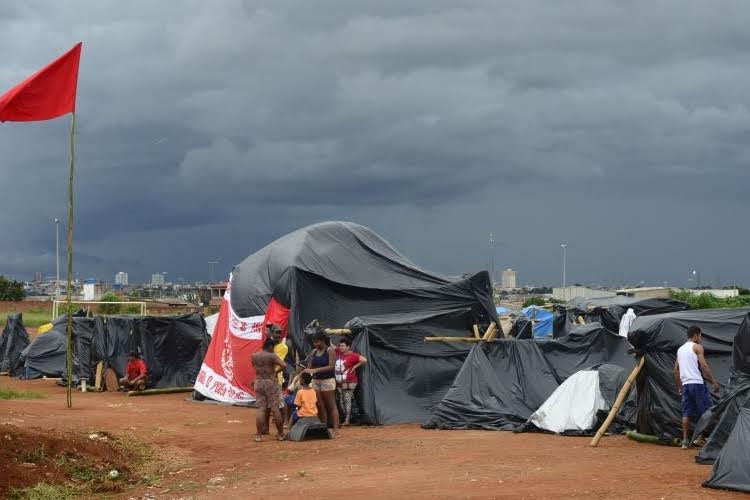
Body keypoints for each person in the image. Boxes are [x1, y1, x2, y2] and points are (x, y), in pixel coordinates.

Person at [673, 325, 720, 449]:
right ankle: (708, 439)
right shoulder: (697, 347)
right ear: (695, 335)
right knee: (709, 411)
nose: (701, 338)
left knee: (686, 413)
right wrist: (713, 382)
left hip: (686, 385)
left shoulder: (680, 349)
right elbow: (704, 366)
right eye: (700, 335)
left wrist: (679, 386)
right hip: (697, 384)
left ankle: (684, 441)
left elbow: (676, 370)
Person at [251, 337, 287, 442]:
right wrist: (276, 371)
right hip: (270, 382)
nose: (274, 349)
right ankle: (280, 434)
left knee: (261, 409)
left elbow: (255, 368)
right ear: (270, 346)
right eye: (274, 347)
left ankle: (258, 435)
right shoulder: (272, 356)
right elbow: (284, 365)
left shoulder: (254, 356)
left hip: (258, 382)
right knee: (275, 408)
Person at [306, 330, 340, 433]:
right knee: (320, 405)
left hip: (327, 381)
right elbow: (309, 366)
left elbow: (331, 366)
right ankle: (323, 428)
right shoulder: (313, 352)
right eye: (313, 342)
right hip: (316, 381)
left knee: (331, 405)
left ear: (323, 341)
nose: (315, 344)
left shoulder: (330, 350)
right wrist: (302, 374)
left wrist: (316, 370)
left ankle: (335, 429)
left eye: (317, 342)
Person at [335, 337, 367, 425]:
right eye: (340, 345)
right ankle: (348, 418)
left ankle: (348, 420)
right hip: (340, 382)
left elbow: (364, 360)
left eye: (342, 346)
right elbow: (331, 346)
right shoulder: (338, 352)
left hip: (350, 381)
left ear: (348, 347)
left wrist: (355, 366)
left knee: (347, 399)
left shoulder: (353, 355)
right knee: (342, 400)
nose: (340, 347)